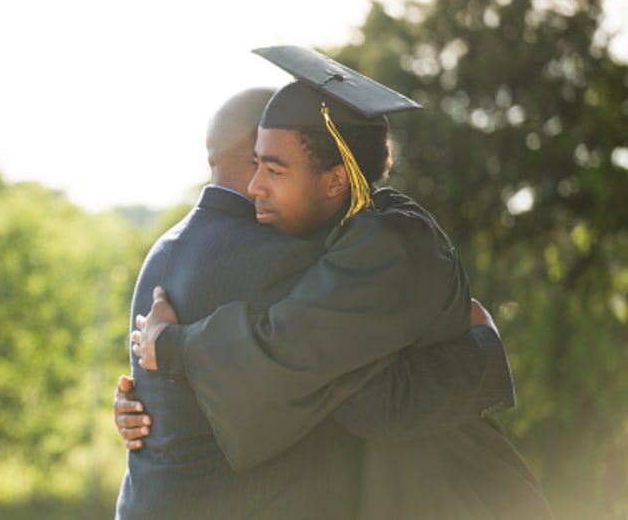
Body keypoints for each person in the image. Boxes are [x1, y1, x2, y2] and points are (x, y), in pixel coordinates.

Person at [131, 46, 554, 519]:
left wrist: (173, 347)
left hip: (459, 492)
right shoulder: (347, 236)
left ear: (335, 180)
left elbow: (346, 385)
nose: (255, 187)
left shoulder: (390, 242)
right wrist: (146, 397)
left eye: (273, 169)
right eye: (256, 164)